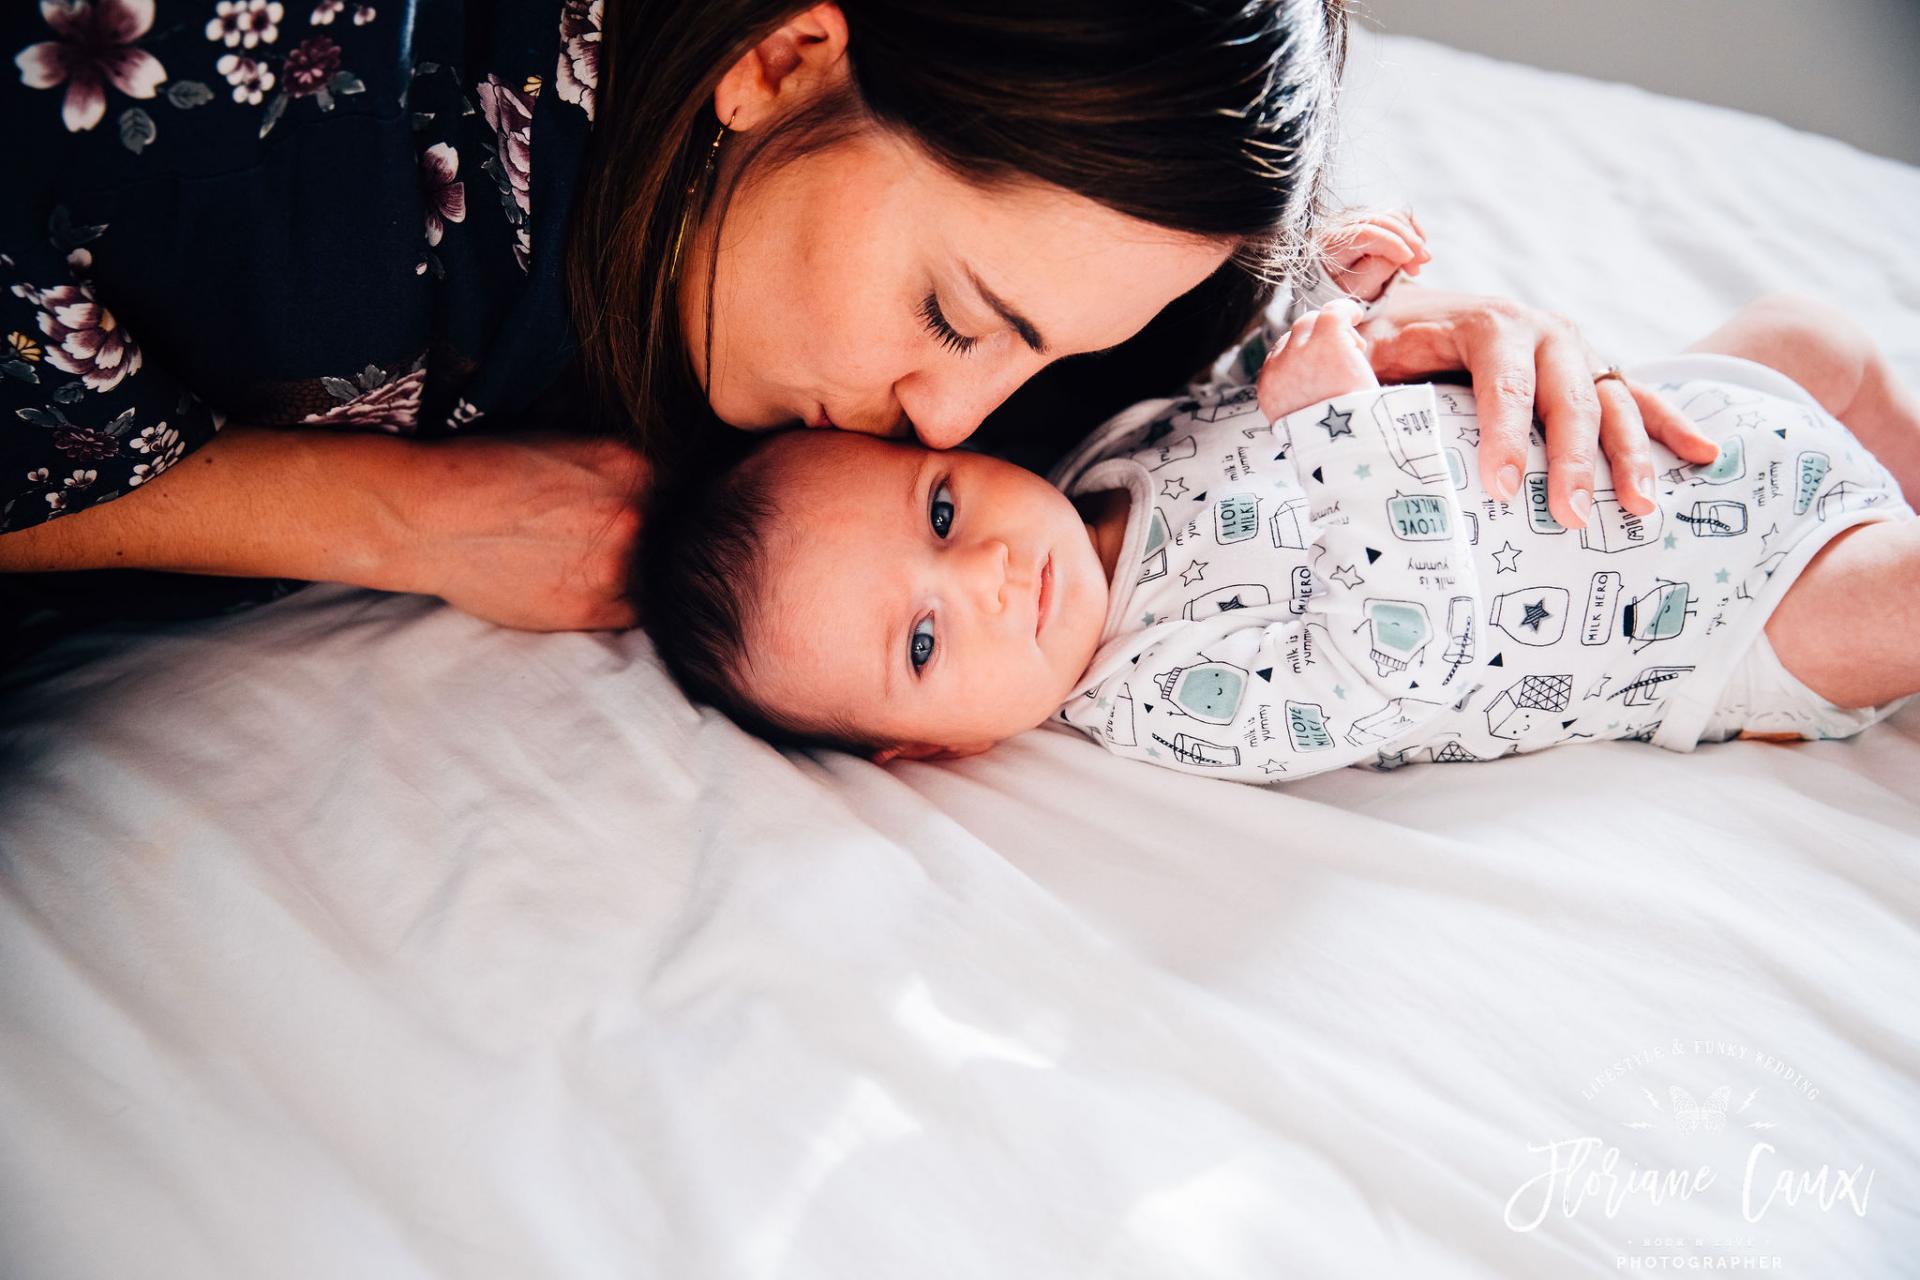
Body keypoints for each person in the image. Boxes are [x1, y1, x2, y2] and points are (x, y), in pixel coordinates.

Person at [1, 0, 1717, 642]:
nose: (954, 425)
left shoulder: (1051, 282)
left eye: (1039, 349)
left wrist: (1418, 334)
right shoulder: (256, 117)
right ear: (780, 58)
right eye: (955, 311)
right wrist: (387, 518)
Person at [640, 292, 1920, 778]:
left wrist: (1338, 310)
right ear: (926, 744)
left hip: (1640, 436)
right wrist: (1347, 432)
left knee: (1818, 345)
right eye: (921, 639)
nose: (983, 574)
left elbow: (1249, 395)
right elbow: (1392, 663)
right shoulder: (1158, 698)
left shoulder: (1100, 453)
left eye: (938, 512)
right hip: (1715, 619)